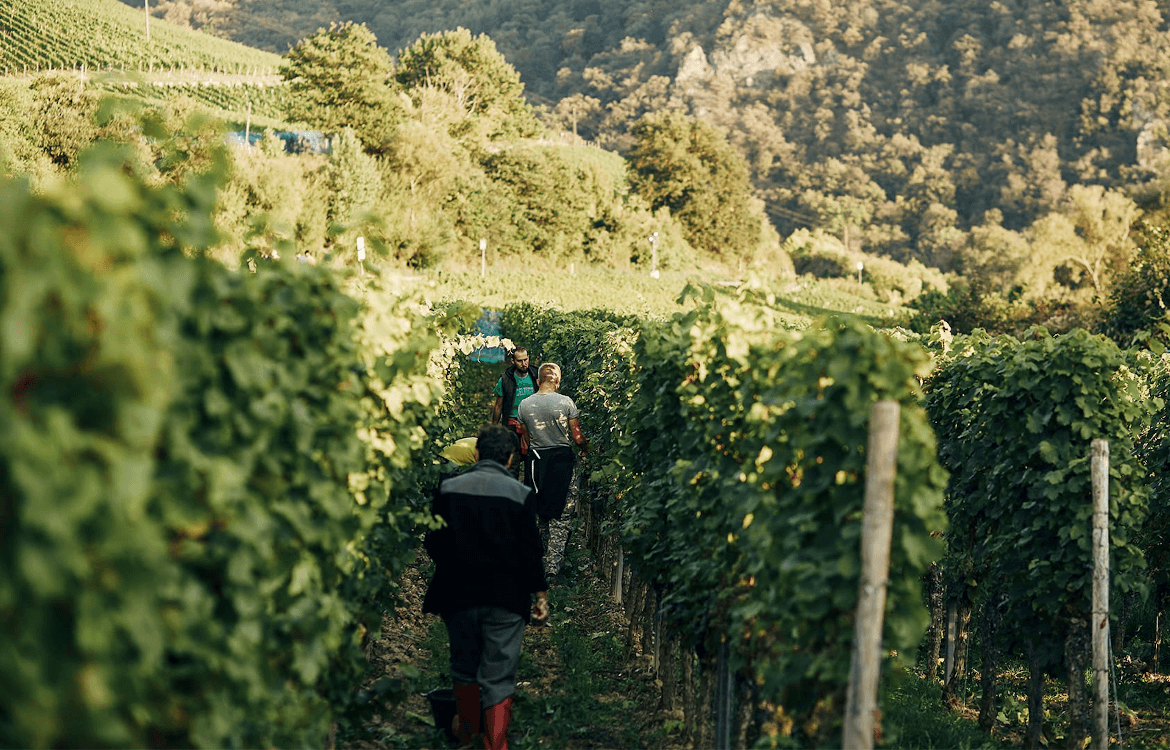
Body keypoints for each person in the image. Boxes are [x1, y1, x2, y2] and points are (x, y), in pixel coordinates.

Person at [422, 423, 549, 750]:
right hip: (506, 598)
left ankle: (466, 737)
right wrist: (540, 595)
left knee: (464, 667)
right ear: (509, 459)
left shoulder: (449, 488)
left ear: (476, 453)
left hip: (457, 594)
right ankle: (494, 744)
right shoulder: (521, 495)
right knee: (499, 674)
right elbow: (530, 550)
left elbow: (433, 543)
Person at [517, 363, 589, 580]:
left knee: (541, 511)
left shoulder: (524, 406)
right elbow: (577, 437)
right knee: (561, 513)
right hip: (562, 463)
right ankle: (552, 567)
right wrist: (586, 448)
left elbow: (524, 442)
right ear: (557, 382)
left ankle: (535, 562)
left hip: (536, 462)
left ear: (538, 382)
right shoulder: (566, 403)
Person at [491, 348, 540, 480]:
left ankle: (530, 495)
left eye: (526, 359)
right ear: (513, 361)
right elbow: (498, 406)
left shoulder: (536, 376)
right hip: (512, 425)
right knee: (512, 463)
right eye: (520, 361)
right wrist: (494, 428)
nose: (524, 363)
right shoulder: (506, 380)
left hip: (532, 425)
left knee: (533, 463)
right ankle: (512, 493)